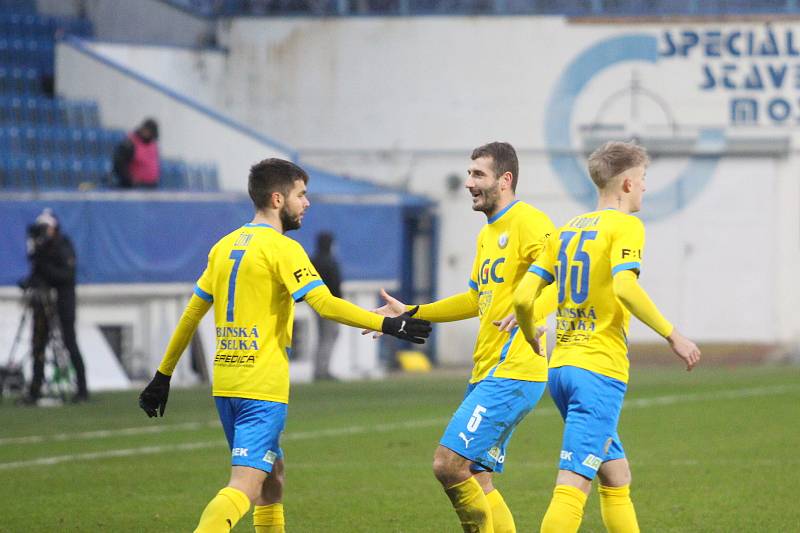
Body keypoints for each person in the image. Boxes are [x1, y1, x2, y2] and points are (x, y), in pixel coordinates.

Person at [138, 158, 431, 533]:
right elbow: (325, 304)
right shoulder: (283, 249)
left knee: (272, 475)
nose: (307, 203)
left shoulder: (222, 247)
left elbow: (192, 313)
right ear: (278, 199)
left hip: (226, 383)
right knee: (245, 484)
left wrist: (162, 375)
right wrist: (388, 324)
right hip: (262, 388)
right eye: (301, 195)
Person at [513, 141, 701, 533]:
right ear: (629, 184)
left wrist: (531, 329)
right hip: (598, 372)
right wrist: (673, 336)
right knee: (573, 485)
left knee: (616, 475)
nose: (646, 188)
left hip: (562, 369)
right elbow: (625, 288)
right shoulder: (626, 225)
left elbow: (522, 296)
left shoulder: (566, 230)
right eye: (644, 179)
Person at [370, 142, 557, 532]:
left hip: (515, 369)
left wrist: (530, 312)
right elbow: (475, 298)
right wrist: (412, 311)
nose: (469, 183)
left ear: (505, 180)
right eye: (469, 174)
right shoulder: (488, 234)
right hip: (487, 370)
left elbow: (559, 276)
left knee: (448, 464)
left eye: (478, 175)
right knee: (477, 475)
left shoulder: (529, 222)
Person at [21, 208, 89, 404]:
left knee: (69, 342)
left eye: (46, 227)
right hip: (43, 302)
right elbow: (37, 273)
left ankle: (82, 389)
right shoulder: (40, 249)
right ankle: (35, 388)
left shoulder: (63, 245)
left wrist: (45, 269)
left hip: (63, 301)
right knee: (38, 343)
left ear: (54, 228)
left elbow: (67, 275)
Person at [310, 231, 342, 381]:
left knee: (322, 336)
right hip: (331, 303)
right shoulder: (330, 261)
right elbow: (336, 285)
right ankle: (322, 370)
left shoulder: (313, 260)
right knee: (329, 336)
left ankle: (319, 368)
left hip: (316, 303)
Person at [112, 118, 160, 189]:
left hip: (151, 186)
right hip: (136, 187)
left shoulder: (153, 144)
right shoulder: (130, 144)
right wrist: (128, 180)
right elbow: (119, 163)